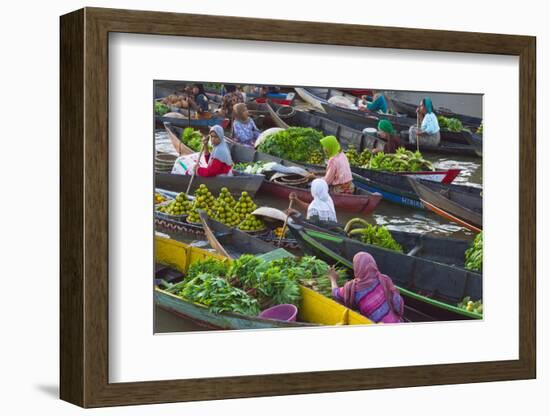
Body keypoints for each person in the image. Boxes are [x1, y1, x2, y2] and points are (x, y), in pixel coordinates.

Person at [328, 252, 404, 323]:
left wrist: (333, 279)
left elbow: (335, 293)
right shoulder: (383, 279)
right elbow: (397, 303)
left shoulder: (353, 289)